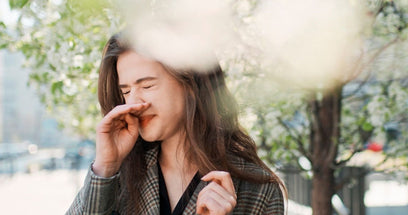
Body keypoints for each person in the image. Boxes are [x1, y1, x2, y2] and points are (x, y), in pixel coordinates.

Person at [66, 33, 286, 215]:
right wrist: (105, 167)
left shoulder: (259, 189)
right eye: (125, 91)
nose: (133, 103)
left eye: (147, 86)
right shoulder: (115, 177)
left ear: (190, 83)